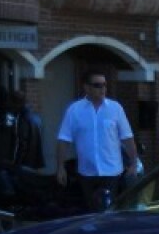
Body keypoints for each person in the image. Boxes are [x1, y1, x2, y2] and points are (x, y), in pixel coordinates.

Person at [56, 70, 138, 212]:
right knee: (91, 212)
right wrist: (60, 167)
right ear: (86, 88)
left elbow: (127, 137)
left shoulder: (115, 108)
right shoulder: (74, 110)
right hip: (87, 173)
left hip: (111, 173)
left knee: (108, 212)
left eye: (105, 85)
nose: (103, 89)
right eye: (97, 85)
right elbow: (64, 140)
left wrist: (134, 163)